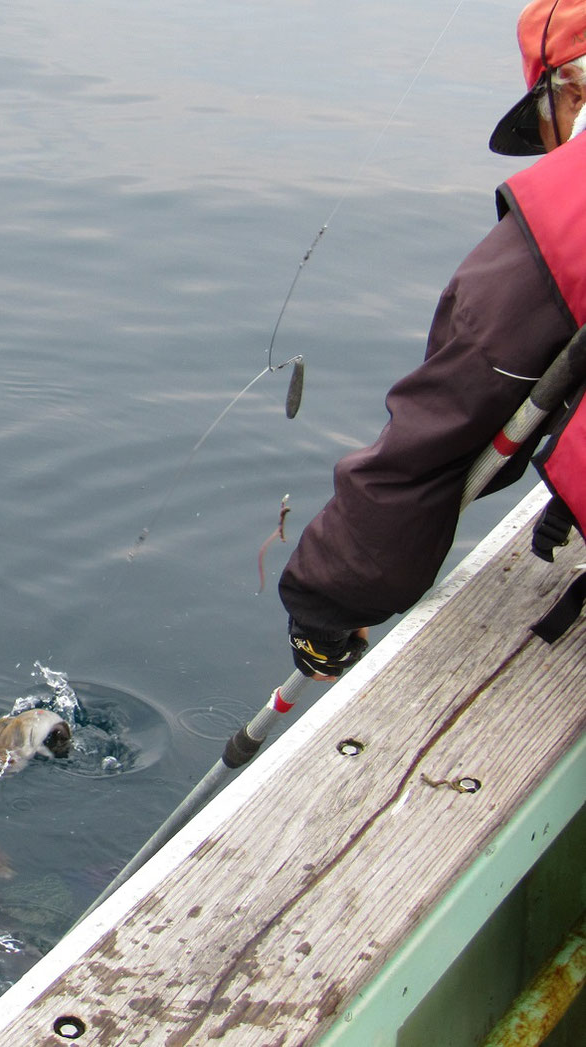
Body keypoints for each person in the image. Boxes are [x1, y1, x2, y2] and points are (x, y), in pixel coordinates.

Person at [279, 0, 586, 680]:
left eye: (547, 123)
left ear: (572, 91)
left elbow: (450, 420)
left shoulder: (574, 205)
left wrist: (325, 602)